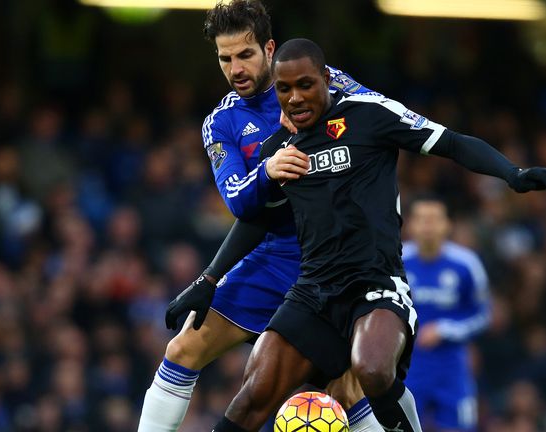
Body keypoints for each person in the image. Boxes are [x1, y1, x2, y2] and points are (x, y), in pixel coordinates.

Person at [195, 38, 546, 432]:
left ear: (326, 79)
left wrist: (513, 173)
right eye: (284, 89)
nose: (295, 98)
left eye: (305, 85)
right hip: (313, 290)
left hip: (375, 283)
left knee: (371, 369)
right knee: (254, 393)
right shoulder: (280, 148)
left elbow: (451, 143)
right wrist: (208, 279)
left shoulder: (371, 114)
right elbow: (256, 220)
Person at [137, 2, 384, 431]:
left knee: (346, 389)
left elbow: (386, 121)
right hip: (272, 257)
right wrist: (268, 167)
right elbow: (238, 202)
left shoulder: (324, 83)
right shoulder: (222, 123)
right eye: (225, 58)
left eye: (245, 55)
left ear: (269, 49)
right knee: (182, 349)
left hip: (334, 260)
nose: (235, 68)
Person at [401, 196, 491, 432]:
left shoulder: (466, 264)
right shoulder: (397, 262)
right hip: (408, 365)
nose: (428, 226)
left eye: (434, 219)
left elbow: (482, 314)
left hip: (452, 365)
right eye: (421, 219)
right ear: (410, 225)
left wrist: (446, 330)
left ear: (447, 225)